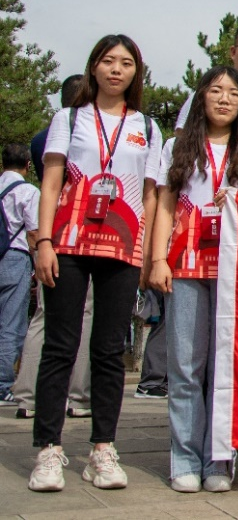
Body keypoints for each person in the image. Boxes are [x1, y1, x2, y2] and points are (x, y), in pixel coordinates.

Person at [29, 34, 163, 492]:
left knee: (108, 351)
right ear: (93, 67)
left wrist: (145, 253)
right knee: (60, 346)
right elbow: (51, 183)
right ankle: (48, 449)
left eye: (126, 63)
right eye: (108, 61)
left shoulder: (147, 127)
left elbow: (150, 195)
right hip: (68, 242)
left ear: (136, 73)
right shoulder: (69, 119)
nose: (116, 70)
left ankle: (103, 449)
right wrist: (44, 242)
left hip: (121, 248)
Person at [148, 66, 238, 494]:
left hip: (235, 271)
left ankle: (219, 460)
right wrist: (157, 259)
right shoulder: (177, 146)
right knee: (184, 366)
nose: (224, 99)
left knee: (224, 369)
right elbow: (165, 205)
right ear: (201, 97)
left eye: (233, 93)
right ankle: (184, 459)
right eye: (216, 90)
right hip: (185, 265)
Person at [17, 75, 92, 419]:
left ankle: (28, 395)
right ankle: (76, 395)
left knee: (45, 314)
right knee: (85, 312)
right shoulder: (84, 132)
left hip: (49, 227)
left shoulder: (39, 138)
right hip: (80, 229)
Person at [0, 144, 39, 405]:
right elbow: (33, 232)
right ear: (27, 164)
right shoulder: (28, 191)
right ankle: (2, 384)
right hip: (14, 257)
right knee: (11, 323)